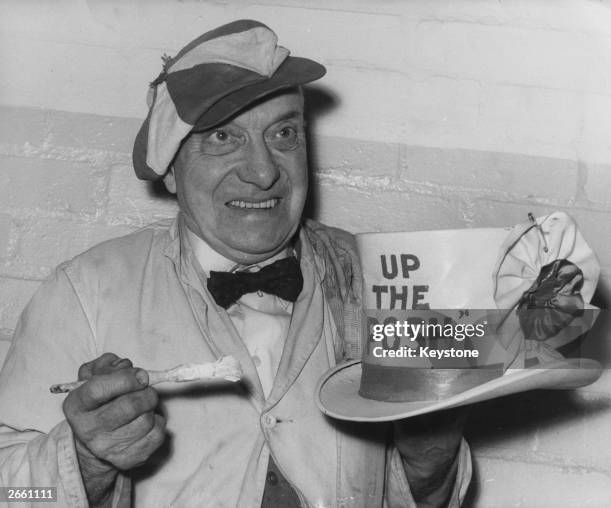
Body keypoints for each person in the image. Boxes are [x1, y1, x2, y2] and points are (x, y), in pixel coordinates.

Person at [0, 20, 471, 507]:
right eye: (223, 137)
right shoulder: (86, 292)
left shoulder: (380, 280)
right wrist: (86, 462)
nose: (264, 171)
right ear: (171, 171)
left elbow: (421, 492)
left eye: (284, 132)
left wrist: (431, 455)